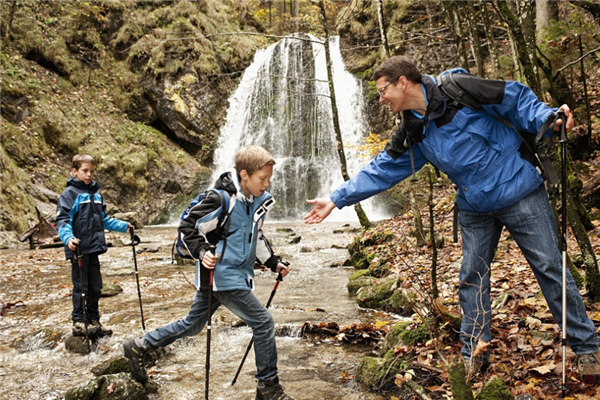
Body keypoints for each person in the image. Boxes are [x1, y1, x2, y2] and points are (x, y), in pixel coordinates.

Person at [304, 56, 600, 377]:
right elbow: (382, 170)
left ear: (403, 82)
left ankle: (586, 348)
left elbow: (513, 98)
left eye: (383, 90)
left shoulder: (459, 89)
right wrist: (335, 199)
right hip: (473, 204)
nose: (381, 98)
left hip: (518, 188)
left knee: (550, 267)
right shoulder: (412, 131)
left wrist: (548, 117)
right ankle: (473, 354)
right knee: (472, 278)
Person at [122, 145, 294, 400]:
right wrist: (202, 251)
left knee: (192, 325)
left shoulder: (255, 204)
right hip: (222, 275)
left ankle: (138, 345)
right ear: (244, 174)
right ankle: (267, 387)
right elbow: (188, 226)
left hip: (228, 276)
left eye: (269, 178)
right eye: (262, 178)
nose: (267, 184)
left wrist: (272, 262)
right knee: (263, 321)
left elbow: (255, 237)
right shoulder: (221, 199)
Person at [56, 154, 132, 338]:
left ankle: (93, 319)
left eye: (91, 171)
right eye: (84, 171)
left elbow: (103, 220)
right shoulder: (69, 195)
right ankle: (79, 321)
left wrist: (124, 226)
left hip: (94, 248)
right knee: (81, 287)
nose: (89, 175)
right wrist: (69, 239)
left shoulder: (96, 195)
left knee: (96, 287)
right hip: (79, 249)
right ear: (74, 172)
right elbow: (63, 220)